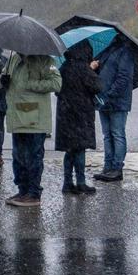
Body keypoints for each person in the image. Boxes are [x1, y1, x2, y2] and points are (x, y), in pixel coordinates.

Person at [3, 52, 62, 207]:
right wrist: (1, 81)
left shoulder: (46, 60)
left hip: (36, 119)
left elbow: (56, 83)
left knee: (33, 157)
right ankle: (23, 191)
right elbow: (4, 76)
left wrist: (30, 84)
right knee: (18, 157)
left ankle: (33, 193)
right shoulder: (13, 58)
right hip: (16, 116)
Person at [55, 42, 103, 195]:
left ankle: (67, 182)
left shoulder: (64, 68)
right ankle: (81, 182)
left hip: (65, 113)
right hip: (81, 114)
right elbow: (97, 87)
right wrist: (92, 69)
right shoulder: (84, 69)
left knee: (70, 149)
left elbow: (57, 90)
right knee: (80, 148)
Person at [92, 40, 135, 183]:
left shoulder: (125, 51)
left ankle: (117, 169)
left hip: (117, 101)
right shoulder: (104, 51)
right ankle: (107, 167)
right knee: (107, 135)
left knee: (117, 134)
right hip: (102, 99)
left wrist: (110, 94)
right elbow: (101, 74)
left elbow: (124, 78)